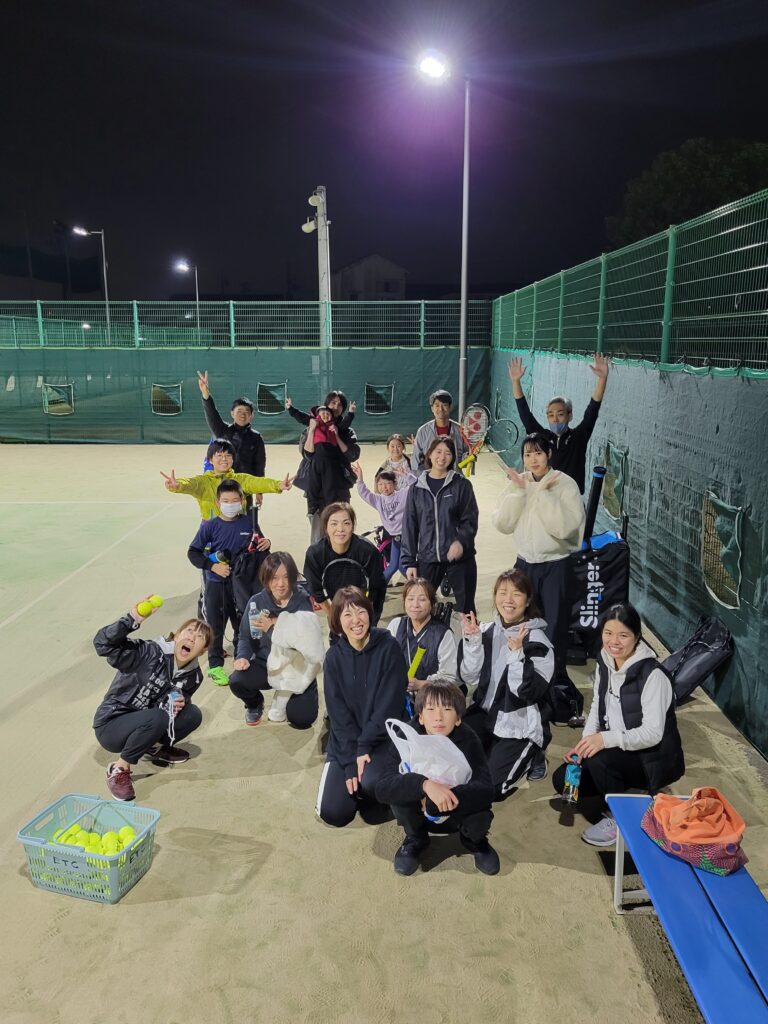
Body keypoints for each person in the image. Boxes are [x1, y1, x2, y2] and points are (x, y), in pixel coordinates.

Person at [553, 602, 685, 848]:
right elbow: (597, 706)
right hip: (618, 749)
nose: (614, 641)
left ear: (637, 637)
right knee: (563, 779)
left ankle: (621, 816)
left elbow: (653, 734)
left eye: (623, 635)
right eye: (608, 633)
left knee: (599, 760)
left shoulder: (653, 675)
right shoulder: (605, 660)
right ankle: (630, 791)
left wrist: (604, 740)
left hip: (651, 759)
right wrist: (585, 744)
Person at [491, 432, 585, 734]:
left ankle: (552, 687)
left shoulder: (564, 484)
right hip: (525, 564)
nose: (533, 460)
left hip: (556, 565)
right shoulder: (518, 482)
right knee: (519, 622)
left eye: (538, 453)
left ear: (549, 455)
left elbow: (566, 529)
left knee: (554, 627)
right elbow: (502, 523)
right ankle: (519, 678)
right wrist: (519, 493)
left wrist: (543, 494)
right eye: (528, 454)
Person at [375, 680, 499, 875]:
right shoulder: (406, 736)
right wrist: (424, 785)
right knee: (400, 792)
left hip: (455, 813)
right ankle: (416, 838)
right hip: (420, 811)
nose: (438, 717)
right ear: (421, 716)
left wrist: (443, 797)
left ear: (458, 718)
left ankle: (474, 840)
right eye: (431, 709)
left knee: (481, 812)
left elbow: (486, 789)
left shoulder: (468, 739)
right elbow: (382, 787)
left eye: (447, 709)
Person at [93, 601, 212, 801]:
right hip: (111, 724)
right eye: (189, 631)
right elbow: (102, 644)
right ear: (177, 636)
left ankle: (153, 747)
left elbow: (172, 708)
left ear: (203, 650)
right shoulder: (149, 652)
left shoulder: (194, 676)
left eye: (200, 637)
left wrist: (173, 706)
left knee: (192, 714)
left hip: (146, 720)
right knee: (157, 717)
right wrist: (132, 619)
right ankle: (119, 769)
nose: (192, 637)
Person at [316, 587, 409, 828]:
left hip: (383, 739)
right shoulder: (333, 658)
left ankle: (377, 788)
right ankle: (360, 784)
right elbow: (338, 715)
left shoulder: (389, 647)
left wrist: (364, 746)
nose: (356, 620)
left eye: (361, 612)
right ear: (337, 621)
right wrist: (350, 761)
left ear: (370, 613)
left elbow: (388, 707)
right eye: (347, 614)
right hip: (346, 742)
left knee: (372, 787)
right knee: (333, 812)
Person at [458, 570, 554, 799]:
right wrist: (473, 642)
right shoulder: (487, 631)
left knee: (490, 789)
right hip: (486, 713)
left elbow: (525, 692)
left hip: (518, 722)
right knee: (451, 761)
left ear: (528, 600)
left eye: (516, 594)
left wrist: (518, 654)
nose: (508, 600)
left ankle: (534, 753)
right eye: (502, 593)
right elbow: (470, 678)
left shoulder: (539, 643)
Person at [186, 479, 270, 686]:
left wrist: (267, 543)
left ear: (242, 501)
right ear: (218, 502)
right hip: (216, 583)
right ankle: (215, 667)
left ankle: (242, 658)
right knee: (215, 625)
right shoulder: (210, 526)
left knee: (242, 621)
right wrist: (213, 566)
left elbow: (259, 545)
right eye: (226, 501)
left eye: (234, 500)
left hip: (242, 583)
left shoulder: (249, 523)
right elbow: (193, 553)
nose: (230, 504)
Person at [229, 552, 323, 728]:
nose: (280, 584)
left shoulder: (302, 602)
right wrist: (242, 656)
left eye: (286, 577)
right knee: (237, 681)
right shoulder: (256, 602)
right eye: (274, 578)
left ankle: (304, 689)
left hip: (296, 667)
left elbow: (304, 644)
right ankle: (254, 703)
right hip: (267, 664)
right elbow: (244, 636)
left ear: (293, 577)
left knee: (302, 719)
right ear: (266, 579)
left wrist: (272, 629)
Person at [507, 353, 609, 494]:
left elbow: (592, 410)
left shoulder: (578, 437)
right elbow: (525, 413)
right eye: (550, 415)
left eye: (560, 414)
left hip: (571, 498)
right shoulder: (543, 438)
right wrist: (515, 381)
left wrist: (602, 379)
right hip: (547, 497)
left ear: (569, 416)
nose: (555, 419)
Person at [401, 438, 479, 615]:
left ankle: (468, 634)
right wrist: (409, 562)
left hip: (460, 560)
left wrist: (460, 542)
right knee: (421, 608)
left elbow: (470, 519)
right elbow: (409, 526)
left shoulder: (462, 485)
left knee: (467, 610)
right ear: (429, 454)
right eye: (438, 452)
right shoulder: (416, 489)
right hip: (428, 558)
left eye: (448, 453)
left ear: (453, 458)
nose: (442, 457)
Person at [286, 391, 361, 542]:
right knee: (318, 535)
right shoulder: (312, 426)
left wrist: (337, 435)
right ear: (326, 405)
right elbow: (307, 455)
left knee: (340, 532)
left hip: (339, 487)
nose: (336, 407)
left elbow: (353, 455)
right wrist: (312, 430)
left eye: (340, 404)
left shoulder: (346, 430)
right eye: (333, 403)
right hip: (317, 484)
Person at [161, 438, 293, 521]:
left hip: (237, 529)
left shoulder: (241, 480)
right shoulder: (203, 482)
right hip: (211, 534)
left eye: (228, 455)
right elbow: (190, 484)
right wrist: (178, 485)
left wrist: (278, 485)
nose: (224, 459)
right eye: (219, 455)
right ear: (210, 460)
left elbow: (259, 483)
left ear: (233, 459)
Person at [303, 502, 386, 625]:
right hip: (335, 605)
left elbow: (374, 590)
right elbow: (317, 592)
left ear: (353, 525)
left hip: (366, 605)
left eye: (346, 523)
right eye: (334, 524)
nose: (340, 529)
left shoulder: (368, 552)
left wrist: (360, 619)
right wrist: (334, 618)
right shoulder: (315, 554)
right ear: (325, 527)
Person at [386, 578, 457, 690]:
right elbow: (385, 661)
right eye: (410, 599)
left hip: (431, 696)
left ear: (432, 603)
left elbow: (449, 678)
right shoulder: (396, 625)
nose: (415, 605)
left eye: (422, 599)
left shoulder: (443, 634)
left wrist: (421, 684)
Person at [352, 462, 416, 585]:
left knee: (401, 566)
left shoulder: (402, 495)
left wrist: (406, 475)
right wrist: (360, 477)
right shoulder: (378, 500)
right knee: (394, 566)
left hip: (406, 537)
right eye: (380, 484)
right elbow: (364, 493)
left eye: (387, 483)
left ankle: (419, 586)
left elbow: (415, 486)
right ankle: (376, 590)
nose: (384, 487)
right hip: (395, 539)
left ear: (394, 484)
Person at [196, 371, 266, 476]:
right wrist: (206, 394)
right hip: (223, 481)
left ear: (251, 415)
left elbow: (260, 466)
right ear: (232, 413)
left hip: (245, 483)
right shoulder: (222, 430)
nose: (242, 415)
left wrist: (259, 486)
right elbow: (212, 414)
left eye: (246, 412)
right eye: (239, 411)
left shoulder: (256, 437)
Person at [303, 407, 354, 520]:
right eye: (323, 413)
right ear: (317, 415)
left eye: (328, 413)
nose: (325, 415)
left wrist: (350, 413)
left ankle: (330, 509)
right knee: (312, 485)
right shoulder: (313, 425)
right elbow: (307, 453)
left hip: (330, 463)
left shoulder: (335, 427)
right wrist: (290, 408)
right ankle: (312, 507)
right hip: (316, 461)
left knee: (329, 486)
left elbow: (345, 424)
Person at [411, 389, 468, 472]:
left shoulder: (460, 431)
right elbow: (415, 462)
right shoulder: (422, 431)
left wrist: (469, 458)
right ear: (432, 408)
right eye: (437, 405)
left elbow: (464, 461)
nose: (441, 409)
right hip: (429, 478)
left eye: (444, 405)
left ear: (450, 407)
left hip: (453, 477)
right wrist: (421, 478)